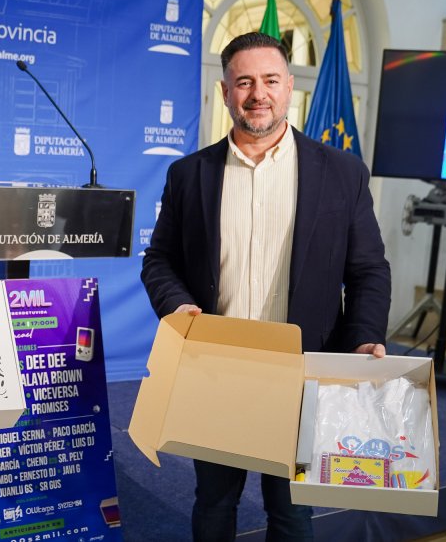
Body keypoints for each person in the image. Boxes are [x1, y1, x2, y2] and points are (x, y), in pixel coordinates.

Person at [140, 31, 391, 540]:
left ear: (290, 86)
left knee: (292, 512)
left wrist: (363, 337)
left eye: (271, 80)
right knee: (213, 503)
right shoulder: (189, 174)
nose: (259, 93)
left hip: (303, 371)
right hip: (216, 369)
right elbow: (159, 259)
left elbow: (368, 270)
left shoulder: (342, 173)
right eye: (245, 82)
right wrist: (180, 306)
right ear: (226, 90)